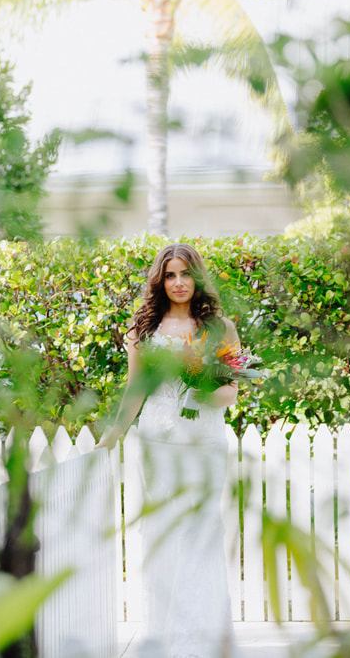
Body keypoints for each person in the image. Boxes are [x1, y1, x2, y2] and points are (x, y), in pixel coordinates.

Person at [99, 243, 240, 658]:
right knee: (161, 533)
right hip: (157, 443)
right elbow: (135, 390)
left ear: (197, 277)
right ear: (160, 281)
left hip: (204, 443)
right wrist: (115, 431)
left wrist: (202, 389)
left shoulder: (221, 328)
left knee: (200, 532)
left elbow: (231, 392)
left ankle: (206, 637)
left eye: (185, 274)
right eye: (170, 275)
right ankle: (165, 636)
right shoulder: (144, 330)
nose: (179, 283)